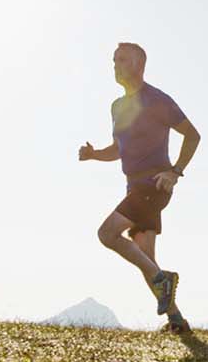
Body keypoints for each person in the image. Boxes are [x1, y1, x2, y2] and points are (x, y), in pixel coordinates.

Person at [78, 42, 200, 332]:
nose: (115, 65)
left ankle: (164, 281)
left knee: (107, 233)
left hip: (154, 184)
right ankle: (177, 320)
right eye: (114, 60)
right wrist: (95, 155)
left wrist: (175, 172)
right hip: (134, 187)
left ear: (139, 65)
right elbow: (119, 149)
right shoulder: (118, 107)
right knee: (147, 258)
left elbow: (193, 135)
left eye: (122, 60)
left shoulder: (158, 100)